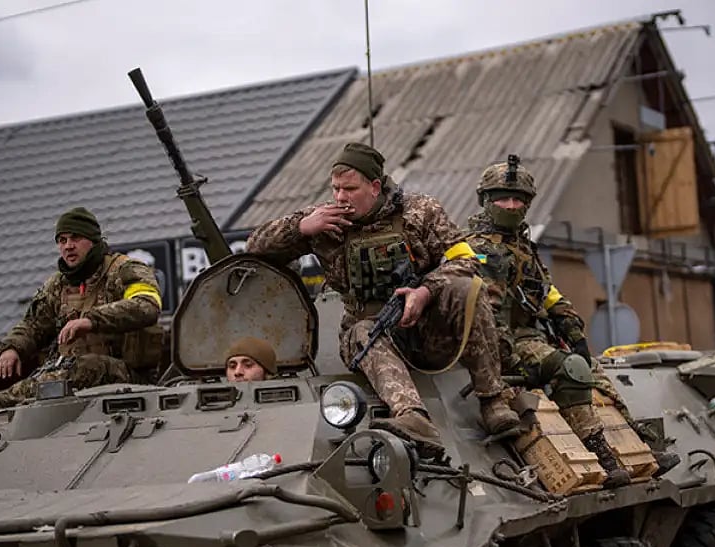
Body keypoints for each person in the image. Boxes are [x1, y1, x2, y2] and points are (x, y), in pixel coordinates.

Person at [246, 142, 519, 455]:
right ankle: (413, 417)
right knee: (362, 331)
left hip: (425, 330)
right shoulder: (325, 222)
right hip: (370, 336)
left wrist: (425, 291)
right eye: (335, 189)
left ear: (375, 186)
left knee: (469, 289)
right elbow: (255, 247)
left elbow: (467, 261)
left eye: (350, 188)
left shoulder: (421, 211)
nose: (340, 197)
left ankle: (493, 401)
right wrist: (300, 228)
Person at [464, 158, 679, 486]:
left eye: (517, 199)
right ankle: (603, 456)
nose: (510, 205)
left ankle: (641, 445)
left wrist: (571, 327)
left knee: (592, 369)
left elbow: (546, 292)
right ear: (485, 200)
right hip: (503, 343)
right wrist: (504, 359)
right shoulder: (477, 249)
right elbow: (491, 314)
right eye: (501, 198)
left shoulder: (522, 246)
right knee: (571, 368)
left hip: (532, 336)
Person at [0, 207, 163, 433]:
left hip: (129, 377)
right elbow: (33, 325)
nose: (67, 246)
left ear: (92, 240)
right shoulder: (58, 285)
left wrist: (91, 320)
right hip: (72, 377)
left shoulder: (125, 270)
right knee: (56, 375)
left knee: (85, 366)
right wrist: (13, 348)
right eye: (61, 240)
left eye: (75, 238)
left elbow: (147, 305)